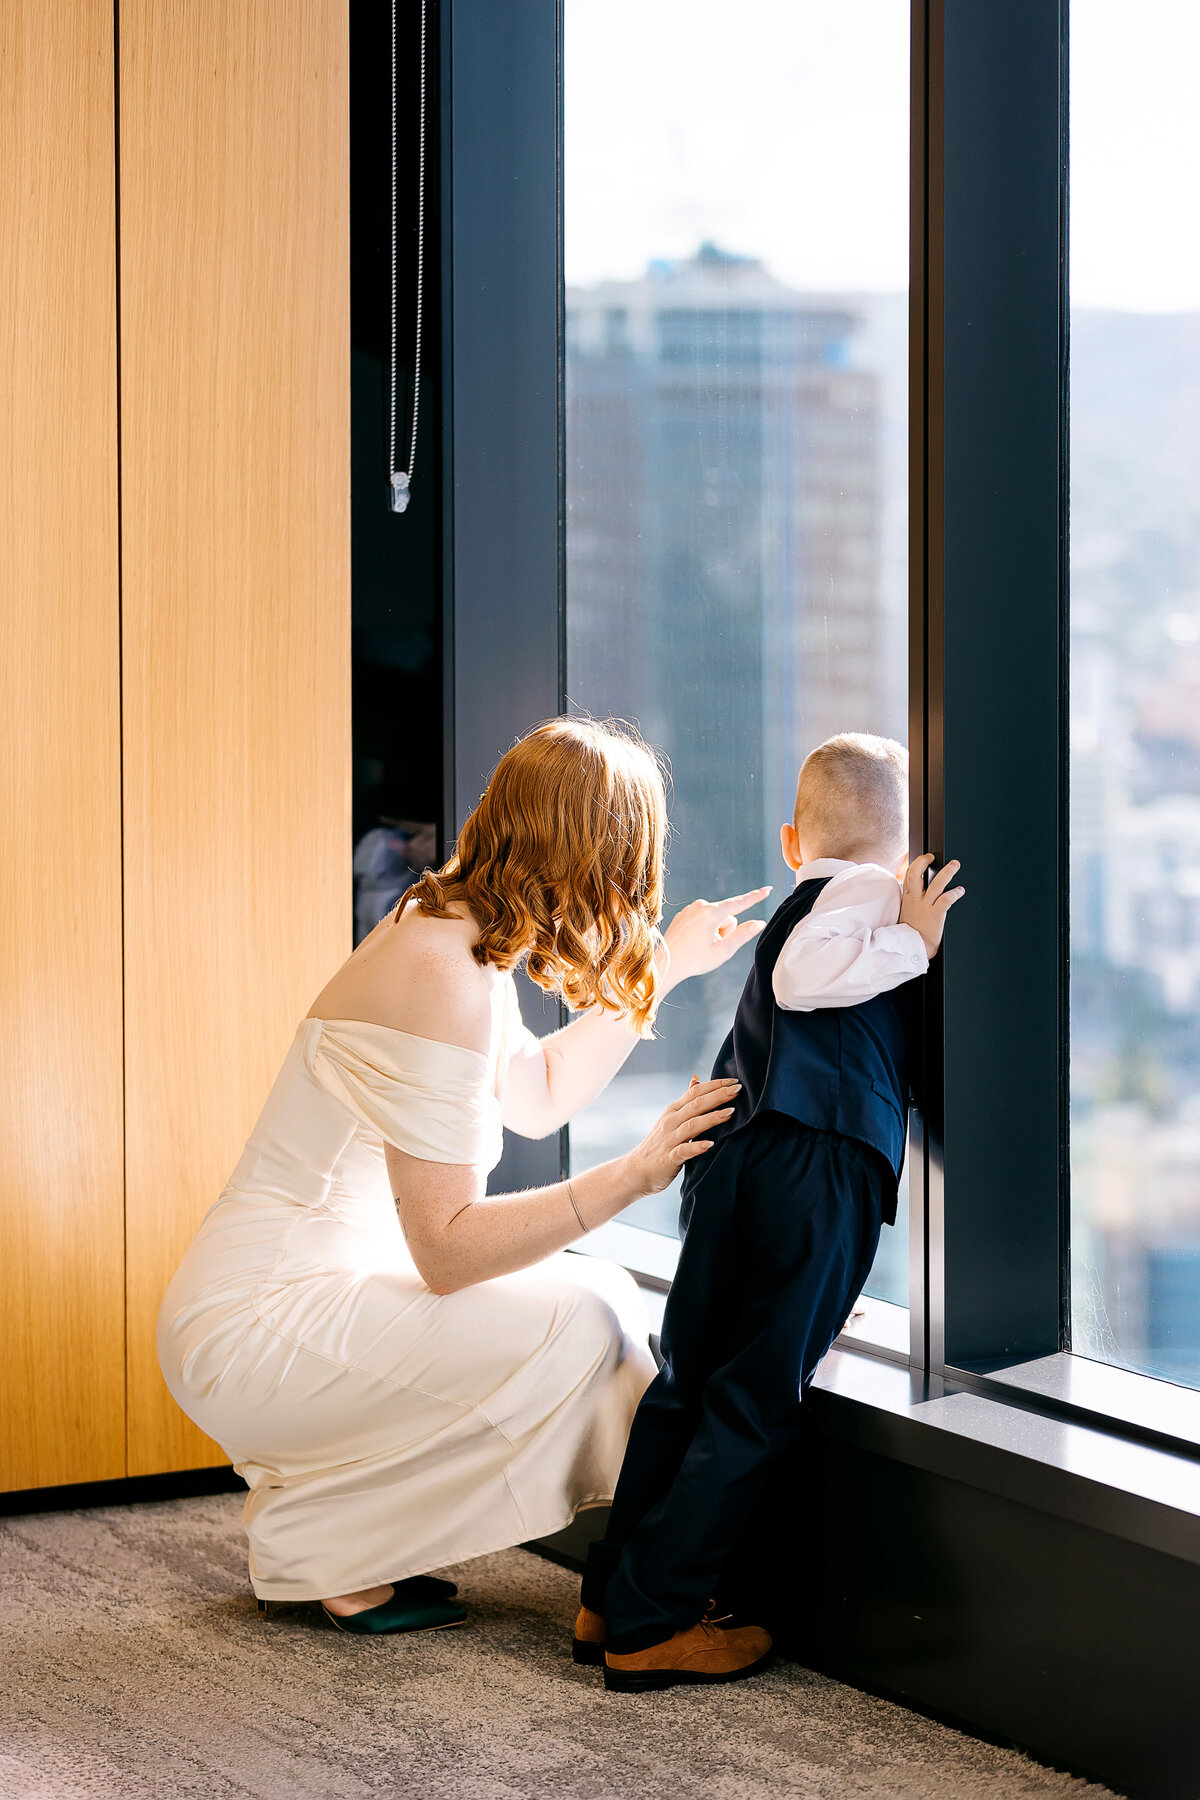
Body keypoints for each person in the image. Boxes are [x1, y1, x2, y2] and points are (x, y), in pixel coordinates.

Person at [157, 717, 769, 1636]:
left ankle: (336, 1545)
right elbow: (444, 1252)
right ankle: (652, 1576)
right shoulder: (442, 974)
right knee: (589, 1314)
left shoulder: (445, 934)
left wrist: (670, 965)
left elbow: (537, 1094)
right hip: (261, 1325)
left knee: (594, 1297)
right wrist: (635, 1176)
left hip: (276, 1299)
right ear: (594, 857)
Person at [575, 732, 965, 1692]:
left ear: (794, 839)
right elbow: (801, 978)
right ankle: (653, 1621)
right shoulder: (875, 897)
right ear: (903, 841)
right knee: (752, 1399)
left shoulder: (808, 888)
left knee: (688, 1381)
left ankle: (610, 1596)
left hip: (735, 1157)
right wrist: (915, 938)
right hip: (816, 1165)